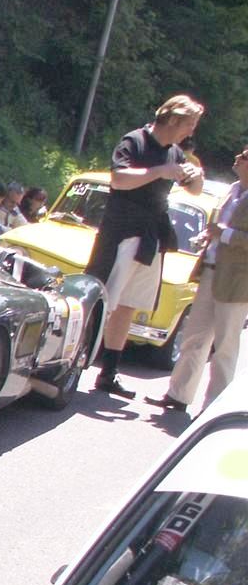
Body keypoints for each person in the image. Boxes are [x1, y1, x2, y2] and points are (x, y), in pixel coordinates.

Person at [87, 94, 207, 397]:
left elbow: (195, 190)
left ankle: (108, 373)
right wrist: (158, 172)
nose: (191, 131)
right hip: (122, 234)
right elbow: (118, 179)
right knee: (103, 301)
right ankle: (75, 363)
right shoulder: (135, 141)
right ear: (174, 119)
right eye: (190, 124)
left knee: (128, 305)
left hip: (151, 237)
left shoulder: (175, 153)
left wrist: (195, 177)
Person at [152, 144, 248, 413]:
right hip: (210, 270)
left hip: (238, 281)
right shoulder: (233, 189)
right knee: (194, 337)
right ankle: (178, 394)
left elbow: (231, 234)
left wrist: (223, 234)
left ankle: (213, 407)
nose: (237, 158)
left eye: (244, 156)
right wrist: (208, 236)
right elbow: (217, 227)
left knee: (225, 346)